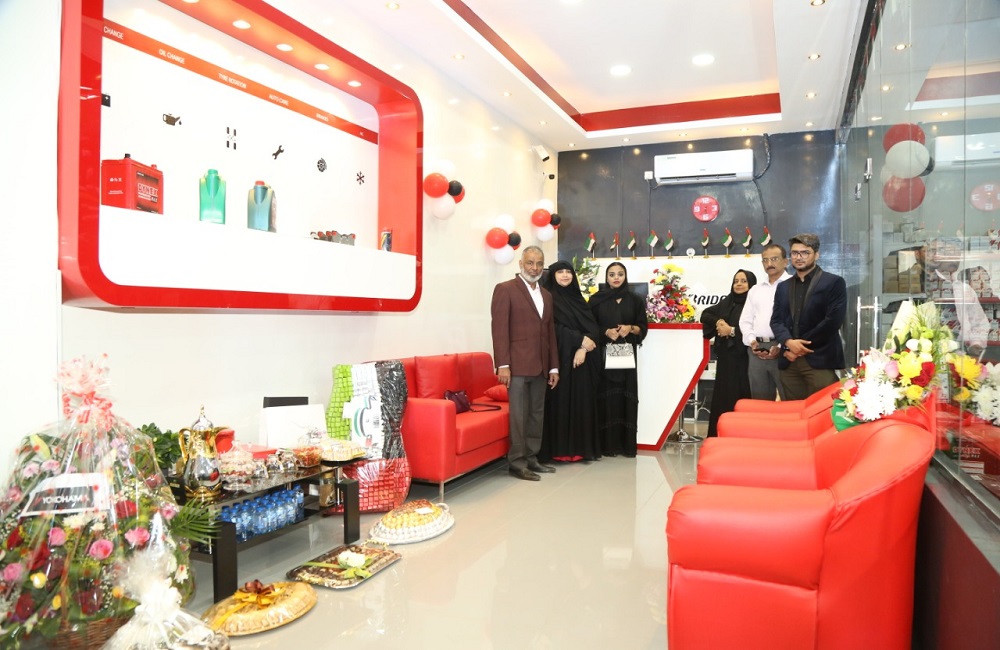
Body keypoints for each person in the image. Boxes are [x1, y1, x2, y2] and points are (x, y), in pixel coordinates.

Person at [491, 245, 560, 481]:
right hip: (516, 366)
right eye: (530, 263)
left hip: (540, 366)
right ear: (521, 264)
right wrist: (503, 364)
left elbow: (549, 333)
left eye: (539, 264)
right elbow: (499, 329)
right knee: (519, 417)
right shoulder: (505, 289)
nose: (534, 268)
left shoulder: (547, 295)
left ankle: (531, 458)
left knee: (536, 415)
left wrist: (553, 366)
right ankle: (517, 463)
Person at [770, 233, 847, 401]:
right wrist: (788, 343)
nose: (799, 257)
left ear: (816, 255)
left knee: (823, 411)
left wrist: (797, 348)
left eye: (805, 252)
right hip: (789, 363)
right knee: (792, 412)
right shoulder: (783, 287)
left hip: (819, 359)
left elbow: (832, 322)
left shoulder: (833, 282)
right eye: (795, 253)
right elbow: (776, 321)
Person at [540, 260, 601, 462]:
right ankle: (559, 451)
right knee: (560, 403)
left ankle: (580, 449)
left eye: (568, 272)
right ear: (553, 275)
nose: (565, 275)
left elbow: (593, 328)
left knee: (581, 403)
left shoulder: (578, 298)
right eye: (560, 272)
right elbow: (550, 329)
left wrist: (583, 348)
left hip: (581, 362)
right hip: (559, 359)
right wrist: (579, 340)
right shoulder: (547, 298)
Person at [589, 262, 648, 457]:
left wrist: (630, 328)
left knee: (625, 398)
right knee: (605, 400)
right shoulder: (596, 300)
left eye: (620, 274)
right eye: (612, 274)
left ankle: (625, 446)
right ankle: (606, 446)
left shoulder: (635, 300)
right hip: (603, 357)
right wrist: (605, 332)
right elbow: (589, 327)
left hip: (627, 357)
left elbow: (642, 327)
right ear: (606, 278)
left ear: (625, 276)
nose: (616, 278)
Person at [700, 269, 757, 437]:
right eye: (736, 281)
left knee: (740, 399)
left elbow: (757, 329)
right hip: (726, 360)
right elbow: (706, 314)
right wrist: (719, 321)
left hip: (745, 360)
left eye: (744, 281)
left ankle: (740, 437)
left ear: (752, 284)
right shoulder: (727, 301)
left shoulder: (754, 304)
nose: (739, 284)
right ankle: (720, 436)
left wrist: (731, 331)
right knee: (723, 398)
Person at [739, 244, 791, 401]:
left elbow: (795, 321)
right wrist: (752, 341)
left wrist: (781, 345)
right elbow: (745, 320)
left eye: (774, 259)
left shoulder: (793, 285)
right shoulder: (755, 290)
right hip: (757, 350)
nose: (769, 264)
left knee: (789, 399)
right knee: (759, 401)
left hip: (784, 349)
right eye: (765, 260)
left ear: (786, 261)